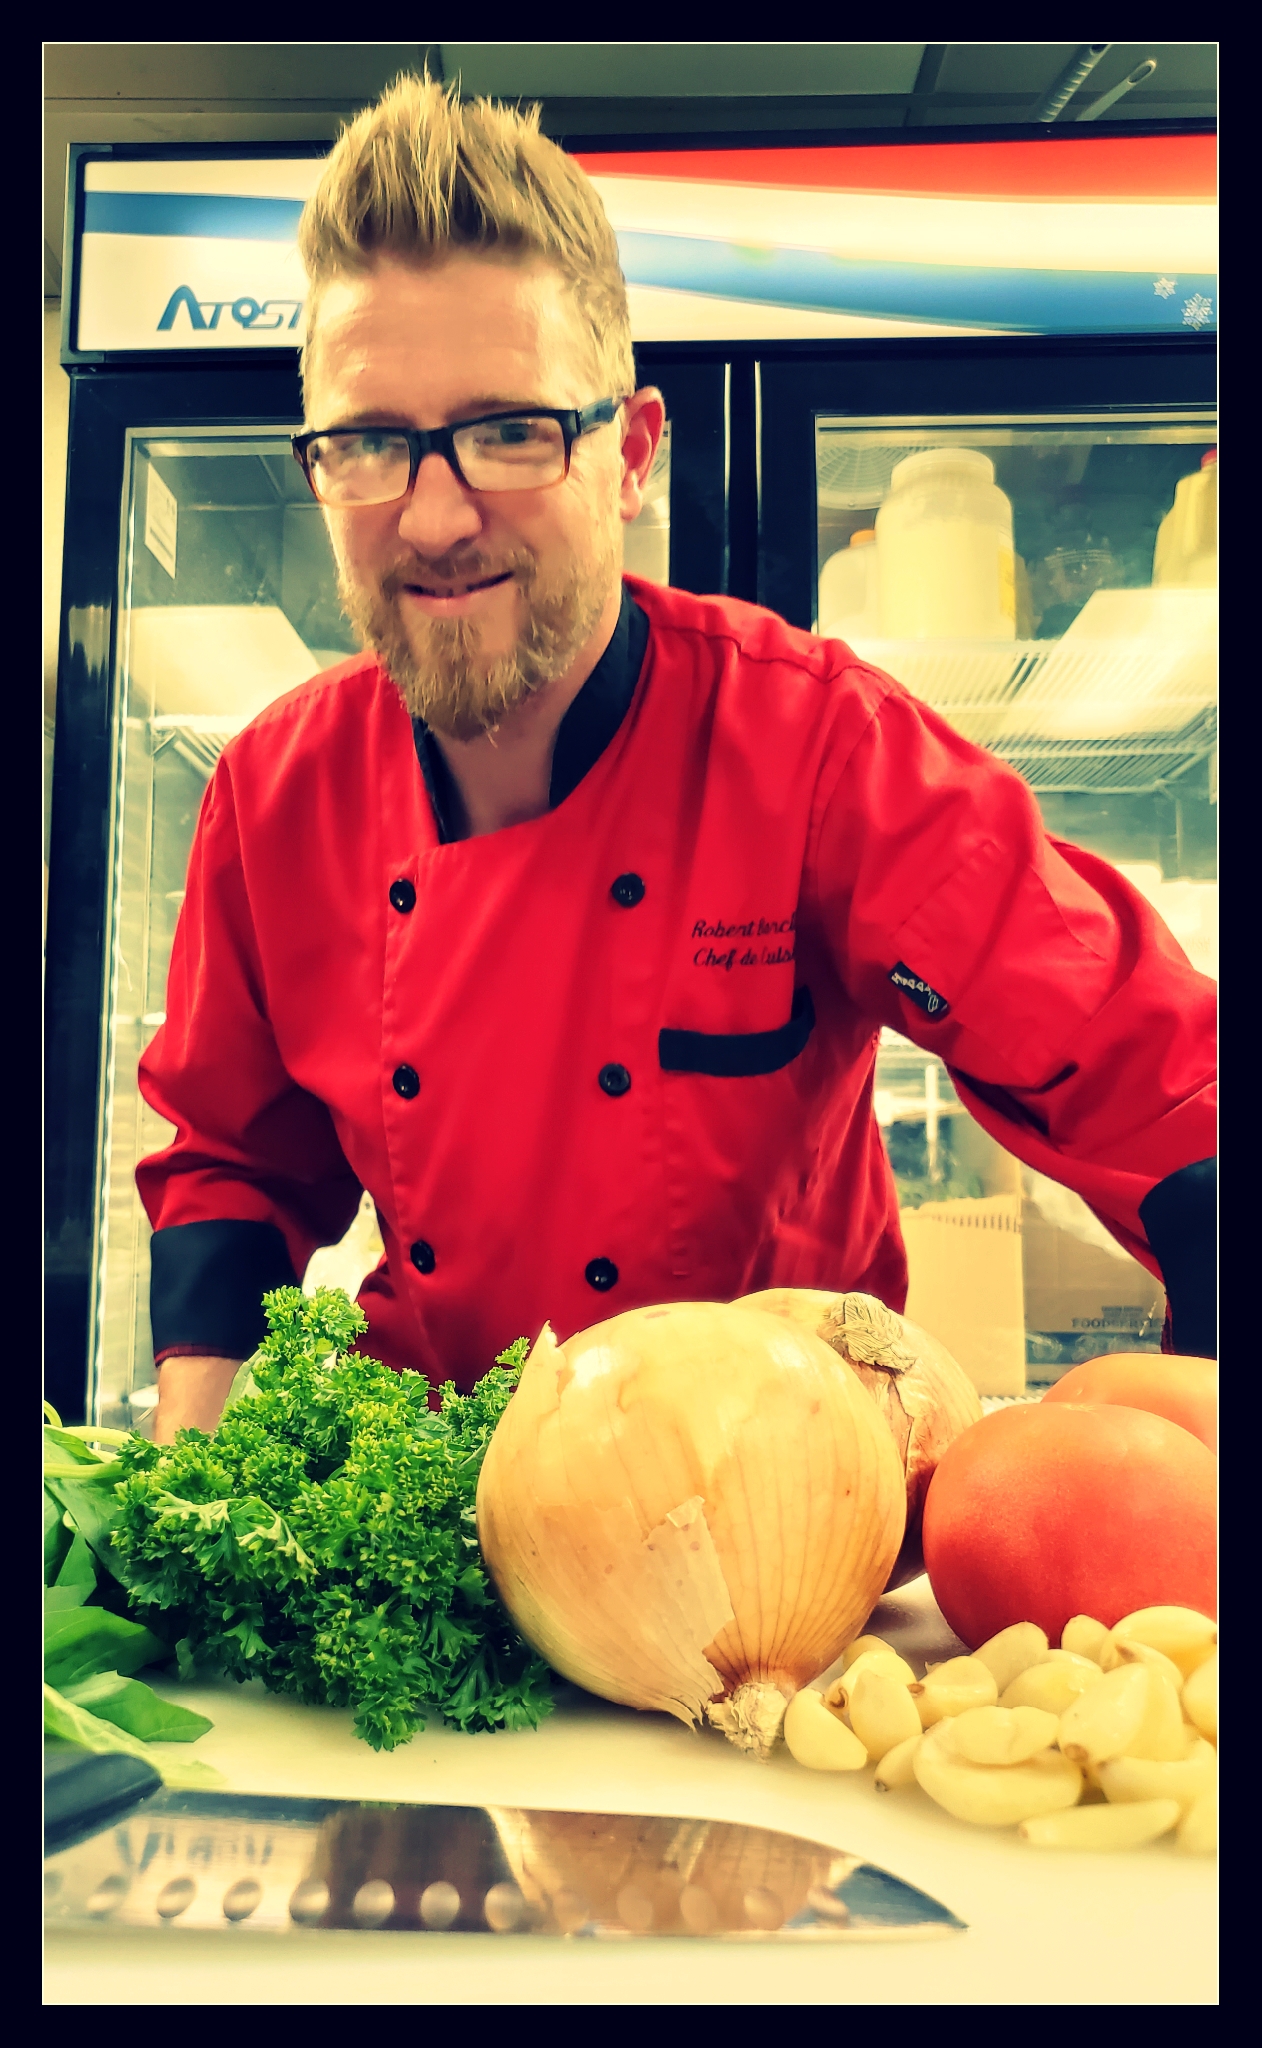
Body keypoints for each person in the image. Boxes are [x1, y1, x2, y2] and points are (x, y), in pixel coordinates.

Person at [140, 77, 1216, 1445]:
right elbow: (232, 1160)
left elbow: (1157, 1080)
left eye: (509, 431)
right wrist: (189, 1497)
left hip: (786, 1533)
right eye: (368, 444)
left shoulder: (812, 745)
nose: (433, 511)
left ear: (631, 452)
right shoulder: (273, 796)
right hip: (448, 1527)